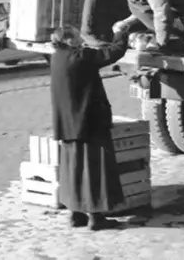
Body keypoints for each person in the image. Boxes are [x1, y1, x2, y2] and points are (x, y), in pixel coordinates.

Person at [49, 24, 129, 230]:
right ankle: (96, 217)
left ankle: (76, 214)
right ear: (69, 40)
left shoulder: (56, 57)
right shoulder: (82, 56)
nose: (81, 39)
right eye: (77, 37)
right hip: (89, 121)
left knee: (73, 169)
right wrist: (121, 32)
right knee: (94, 168)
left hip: (67, 124)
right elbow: (114, 52)